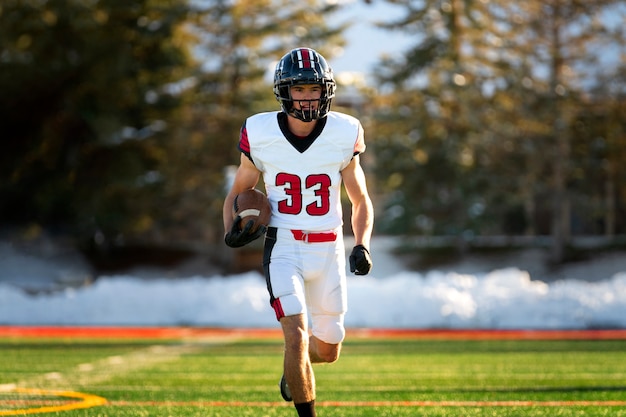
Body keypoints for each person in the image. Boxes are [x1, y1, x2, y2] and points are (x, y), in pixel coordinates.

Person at [222, 47, 374, 417]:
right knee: (295, 334)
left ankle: (295, 371)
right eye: (299, 89)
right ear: (284, 92)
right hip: (284, 247)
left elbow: (360, 198)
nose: (307, 97)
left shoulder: (344, 131)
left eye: (314, 89)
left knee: (327, 351)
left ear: (326, 91)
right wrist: (231, 231)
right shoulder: (259, 131)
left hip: (329, 249)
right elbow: (237, 193)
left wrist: (362, 244)